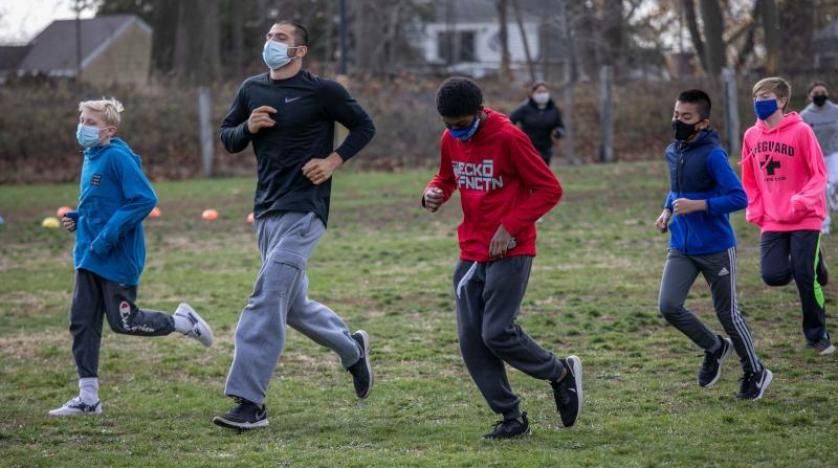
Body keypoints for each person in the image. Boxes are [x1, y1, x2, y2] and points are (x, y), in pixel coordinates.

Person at [214, 21, 376, 430]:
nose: (271, 42)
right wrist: (247, 127)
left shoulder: (323, 91)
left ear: (300, 50)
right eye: (269, 36)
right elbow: (228, 138)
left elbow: (364, 126)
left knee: (267, 297)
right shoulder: (251, 89)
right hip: (266, 211)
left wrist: (333, 161)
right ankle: (352, 350)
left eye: (281, 38)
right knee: (292, 305)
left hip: (306, 209)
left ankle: (250, 403)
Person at [422, 77, 582, 440]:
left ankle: (559, 373)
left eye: (462, 124)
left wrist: (509, 227)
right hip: (471, 250)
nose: (456, 131)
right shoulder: (450, 138)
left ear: (480, 111)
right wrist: (433, 192)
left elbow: (549, 189)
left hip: (512, 249)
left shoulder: (509, 138)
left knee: (496, 332)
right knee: (471, 341)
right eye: (449, 125)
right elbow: (446, 177)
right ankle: (511, 417)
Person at [49, 98, 214, 417]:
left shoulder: (117, 157)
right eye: (81, 120)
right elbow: (102, 202)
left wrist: (107, 236)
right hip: (88, 255)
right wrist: (80, 218)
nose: (83, 127)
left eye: (91, 123)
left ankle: (183, 322)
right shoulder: (91, 156)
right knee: (82, 322)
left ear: (109, 130)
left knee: (125, 322)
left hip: (117, 257)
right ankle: (88, 399)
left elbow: (144, 199)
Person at [656, 89, 771, 400]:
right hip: (681, 246)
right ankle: (715, 347)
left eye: (686, 116)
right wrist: (667, 210)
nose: (678, 121)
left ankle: (756, 371)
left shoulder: (713, 155)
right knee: (668, 306)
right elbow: (676, 189)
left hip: (716, 248)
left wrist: (699, 205)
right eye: (676, 114)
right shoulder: (673, 151)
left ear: (702, 123)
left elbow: (739, 197)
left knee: (727, 314)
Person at [741, 77, 834, 355]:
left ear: (782, 101)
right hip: (773, 218)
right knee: (773, 275)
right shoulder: (751, 136)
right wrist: (755, 206)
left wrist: (803, 198)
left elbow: (819, 174)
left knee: (804, 276)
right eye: (756, 97)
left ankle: (817, 335)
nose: (759, 102)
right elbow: (749, 178)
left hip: (806, 216)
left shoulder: (802, 131)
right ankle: (816, 260)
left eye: (765, 96)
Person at [801, 82, 838, 234]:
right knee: (822, 189)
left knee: (833, 183)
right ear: (810, 96)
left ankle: (834, 200)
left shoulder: (835, 111)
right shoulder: (805, 115)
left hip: (834, 153)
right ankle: (825, 224)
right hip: (816, 157)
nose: (820, 95)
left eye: (823, 92)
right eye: (816, 93)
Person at [509, 82, 565, 167]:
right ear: (532, 93)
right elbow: (509, 121)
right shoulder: (524, 109)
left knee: (543, 172)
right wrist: (515, 135)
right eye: (539, 92)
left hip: (546, 150)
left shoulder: (554, 110)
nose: (542, 94)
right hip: (528, 148)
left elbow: (560, 127)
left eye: (545, 91)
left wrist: (558, 132)